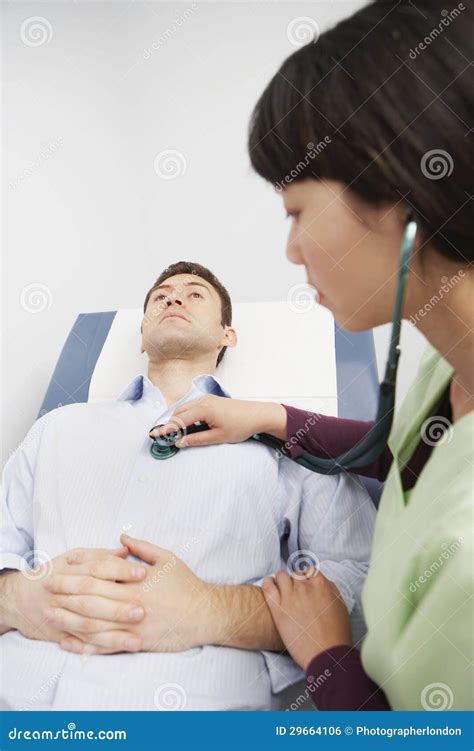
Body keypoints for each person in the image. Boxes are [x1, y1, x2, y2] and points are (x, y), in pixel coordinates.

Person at [151, 1, 473, 710]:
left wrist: (326, 653)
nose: (290, 250)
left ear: (400, 191)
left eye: (295, 210)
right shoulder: (446, 368)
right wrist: (262, 417)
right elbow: (405, 454)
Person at [0, 262, 375, 710]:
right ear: (140, 337)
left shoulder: (283, 441)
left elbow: (358, 578)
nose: (174, 298)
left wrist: (217, 611)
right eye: (161, 296)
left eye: (195, 294)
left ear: (227, 336)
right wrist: (15, 599)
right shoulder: (56, 429)